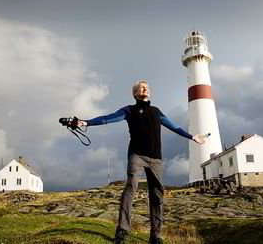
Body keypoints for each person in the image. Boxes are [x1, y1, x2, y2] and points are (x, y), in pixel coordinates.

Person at [78, 80, 205, 244]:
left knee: (157, 194)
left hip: (156, 159)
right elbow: (107, 118)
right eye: (141, 87)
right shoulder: (129, 110)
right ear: (135, 93)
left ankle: (155, 236)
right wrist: (85, 122)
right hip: (136, 155)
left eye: (147, 87)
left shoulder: (156, 111)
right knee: (131, 186)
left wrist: (192, 137)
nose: (145, 89)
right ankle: (123, 230)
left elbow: (173, 126)